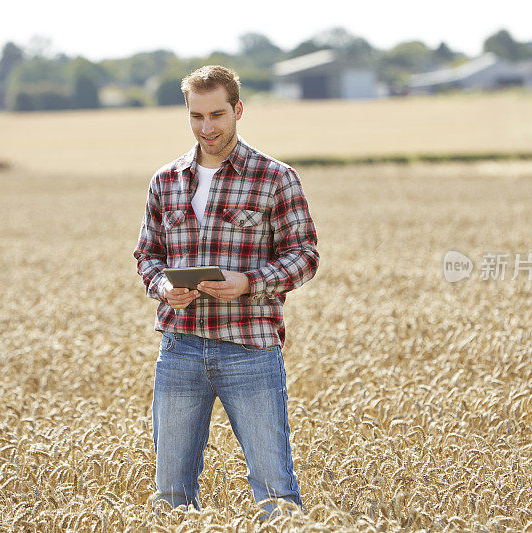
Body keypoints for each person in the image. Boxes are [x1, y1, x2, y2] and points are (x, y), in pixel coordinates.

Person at [133, 65, 319, 518]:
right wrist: (162, 287)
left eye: (217, 114)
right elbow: (147, 255)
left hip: (250, 349)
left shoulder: (275, 177)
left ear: (238, 109)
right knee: (170, 494)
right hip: (179, 350)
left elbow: (305, 255)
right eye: (197, 116)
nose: (207, 127)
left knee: (275, 488)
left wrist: (249, 283)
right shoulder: (166, 180)